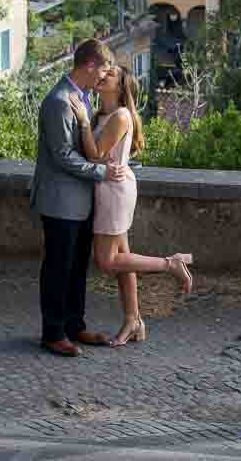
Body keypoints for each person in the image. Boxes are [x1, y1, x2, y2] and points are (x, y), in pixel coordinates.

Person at [70, 65, 193, 348]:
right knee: (123, 256)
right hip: (108, 187)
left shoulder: (121, 115)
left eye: (109, 75)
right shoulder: (103, 114)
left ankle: (170, 264)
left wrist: (83, 122)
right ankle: (133, 320)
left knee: (107, 261)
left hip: (114, 190)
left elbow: (95, 153)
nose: (103, 77)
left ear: (121, 86)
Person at [30, 38, 125, 358]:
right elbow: (62, 156)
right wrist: (102, 174)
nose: (104, 77)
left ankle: (75, 325)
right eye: (103, 71)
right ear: (89, 65)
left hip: (80, 201)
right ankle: (53, 333)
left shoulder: (81, 98)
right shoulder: (59, 100)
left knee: (76, 268)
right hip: (60, 201)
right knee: (58, 268)